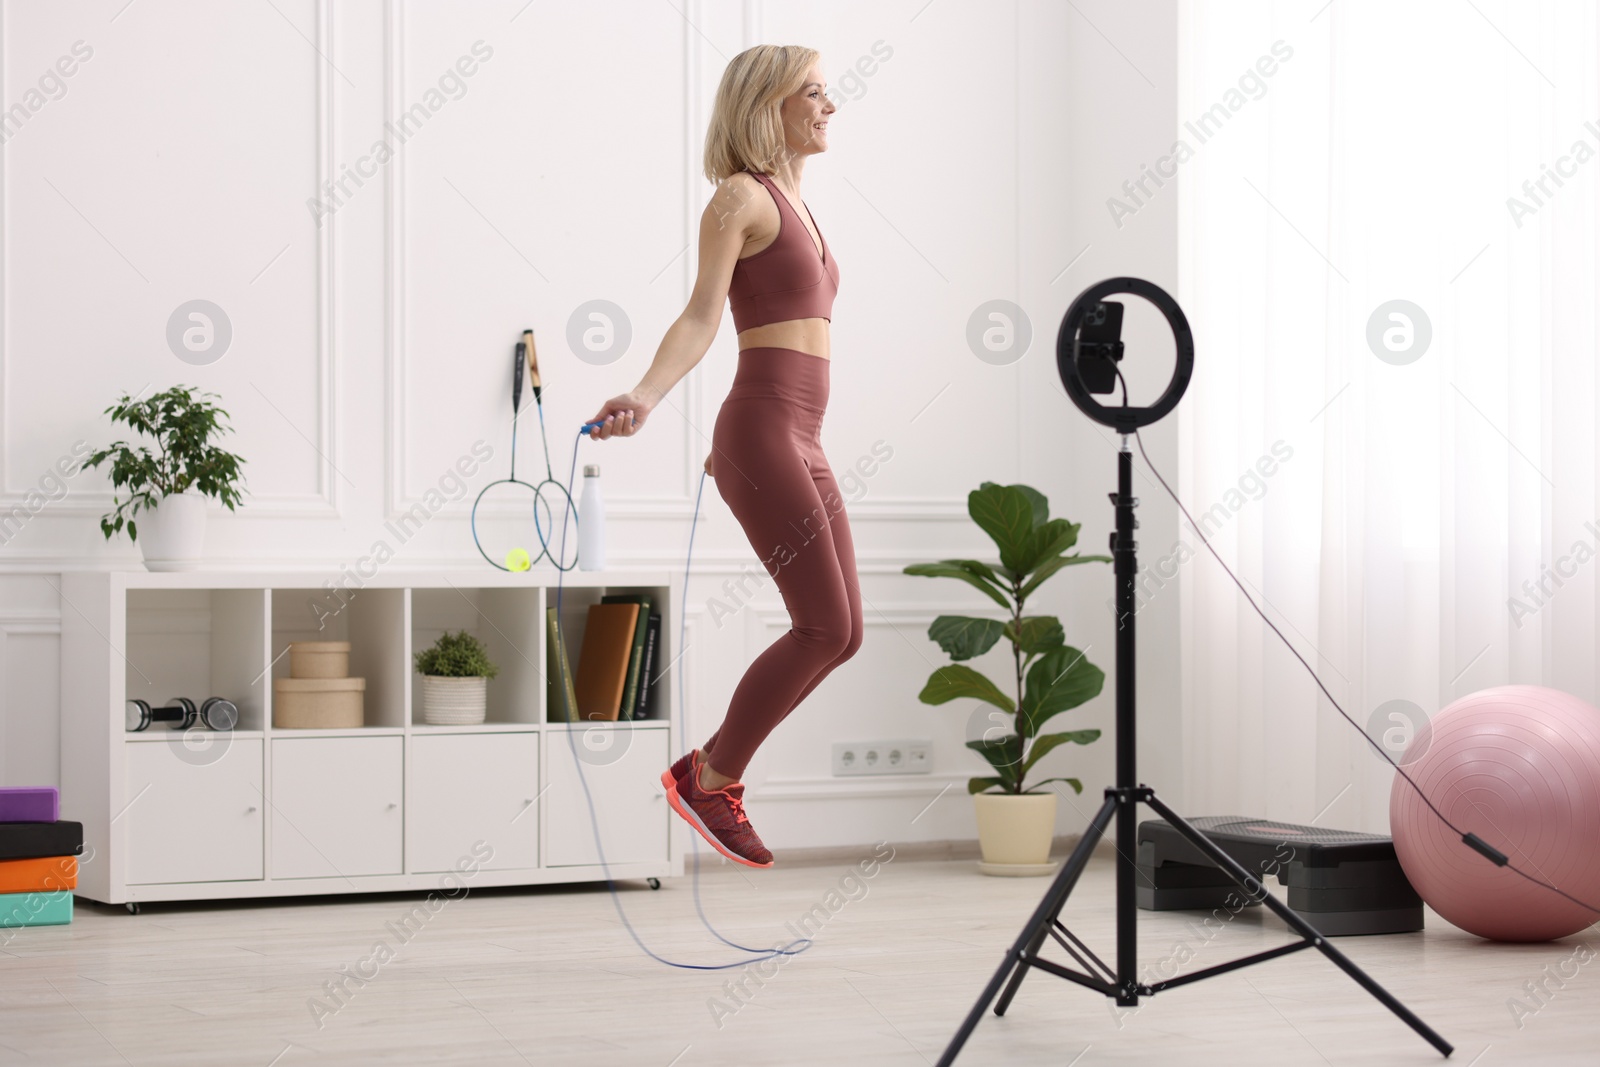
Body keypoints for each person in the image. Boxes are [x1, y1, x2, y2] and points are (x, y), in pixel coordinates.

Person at [584, 45, 862, 867]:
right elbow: (702, 316)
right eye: (814, 91)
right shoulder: (740, 197)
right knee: (825, 624)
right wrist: (646, 393)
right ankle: (711, 776)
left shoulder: (798, 202)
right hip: (765, 426)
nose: (830, 105)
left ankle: (714, 773)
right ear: (767, 103)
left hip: (799, 434)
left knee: (845, 634)